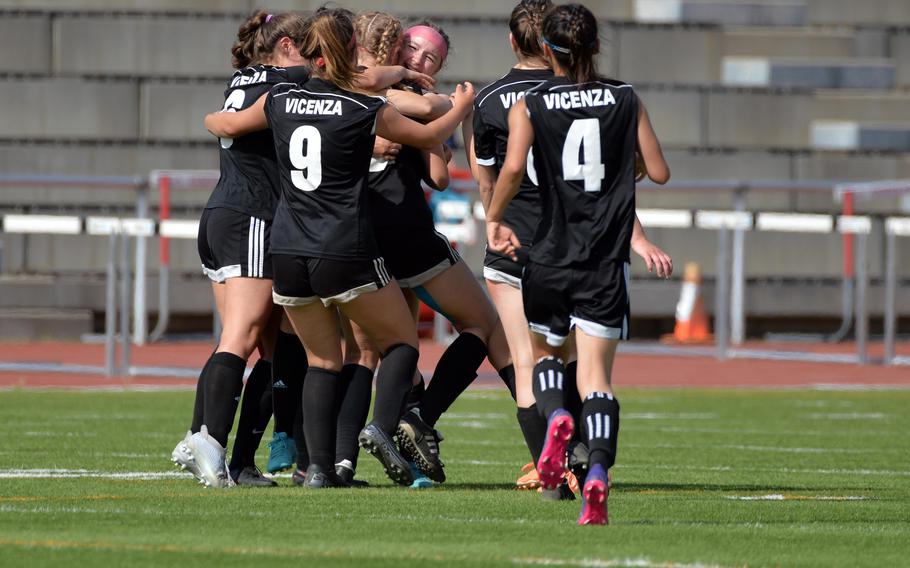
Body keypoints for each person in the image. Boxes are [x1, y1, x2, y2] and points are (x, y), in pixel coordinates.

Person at [204, 7, 475, 488]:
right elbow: (432, 136)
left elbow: (224, 124)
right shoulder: (361, 108)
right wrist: (461, 106)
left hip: (285, 251)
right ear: (352, 52)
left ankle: (317, 470)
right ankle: (375, 431)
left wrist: (208, 116)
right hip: (342, 248)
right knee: (400, 342)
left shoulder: (281, 98)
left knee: (321, 361)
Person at [468, 0, 673, 498]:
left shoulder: (528, 104)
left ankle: (557, 417)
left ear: (545, 48)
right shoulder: (625, 97)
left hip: (548, 253)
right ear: (597, 46)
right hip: (603, 258)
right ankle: (597, 471)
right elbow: (659, 171)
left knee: (543, 361)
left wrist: (494, 218)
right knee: (598, 376)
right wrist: (627, 173)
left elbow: (511, 171)